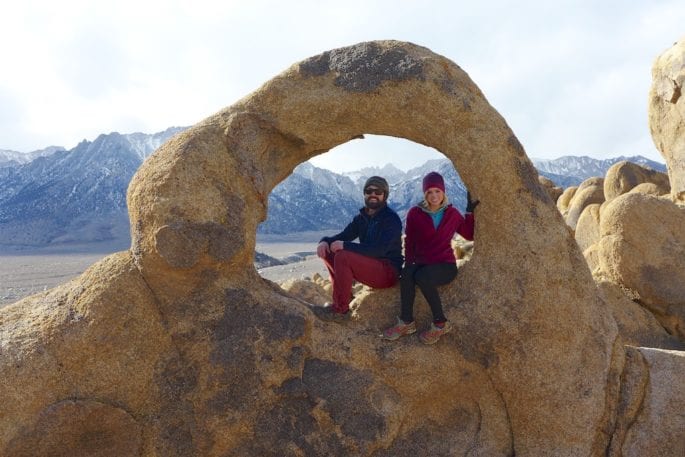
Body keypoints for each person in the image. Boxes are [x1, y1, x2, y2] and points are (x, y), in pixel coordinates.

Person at [382, 171, 478, 344]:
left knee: (422, 277)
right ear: (425, 194)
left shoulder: (452, 214)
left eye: (437, 191)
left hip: (445, 265)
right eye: (430, 192)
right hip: (421, 262)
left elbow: (469, 235)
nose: (434, 196)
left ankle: (440, 324)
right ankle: (406, 323)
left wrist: (469, 213)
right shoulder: (414, 213)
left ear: (443, 192)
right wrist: (408, 263)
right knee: (407, 276)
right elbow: (409, 240)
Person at [313, 176, 404, 322]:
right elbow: (344, 236)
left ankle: (340, 309)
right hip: (369, 267)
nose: (373, 194)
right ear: (364, 194)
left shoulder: (391, 219)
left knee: (343, 255)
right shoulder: (361, 218)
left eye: (378, 191)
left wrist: (345, 246)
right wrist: (324, 241)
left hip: (387, 271)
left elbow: (379, 250)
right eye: (369, 191)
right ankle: (345, 298)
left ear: (384, 195)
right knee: (328, 250)